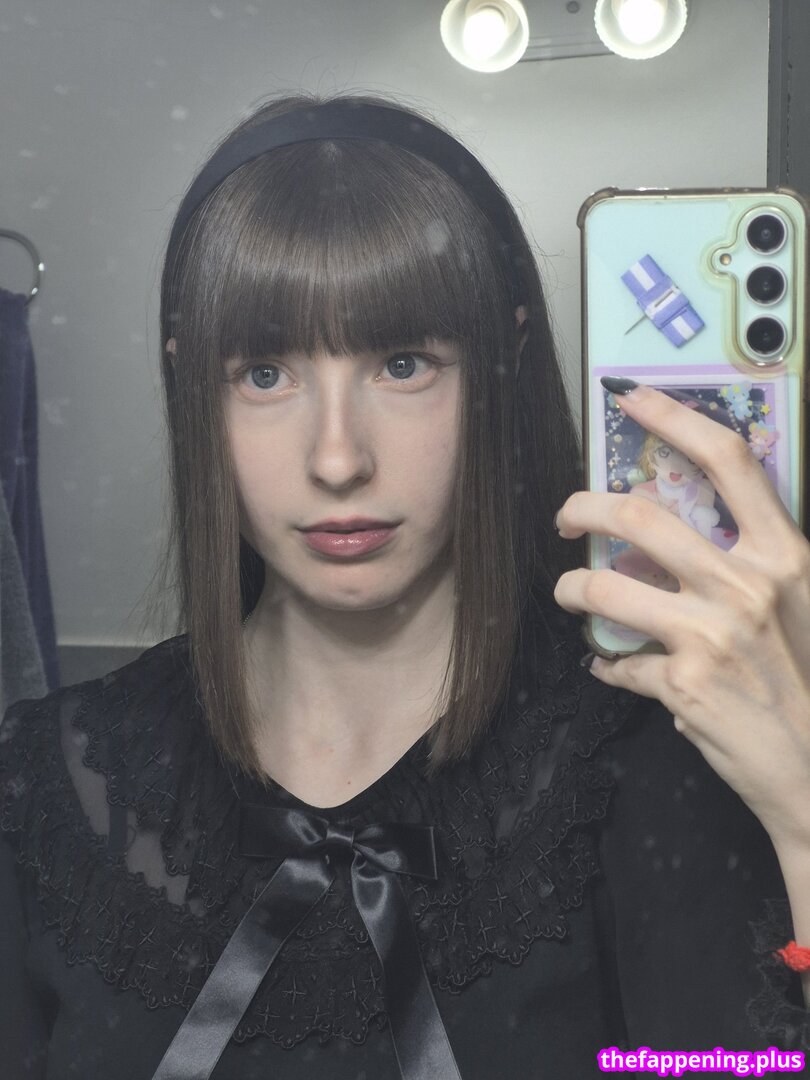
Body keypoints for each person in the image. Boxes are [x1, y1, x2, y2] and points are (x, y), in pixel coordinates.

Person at [1, 90, 809, 1080]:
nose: (337, 458)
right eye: (264, 374)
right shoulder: (50, 784)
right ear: (190, 386)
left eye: (402, 363)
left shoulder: (649, 760)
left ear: (503, 365)